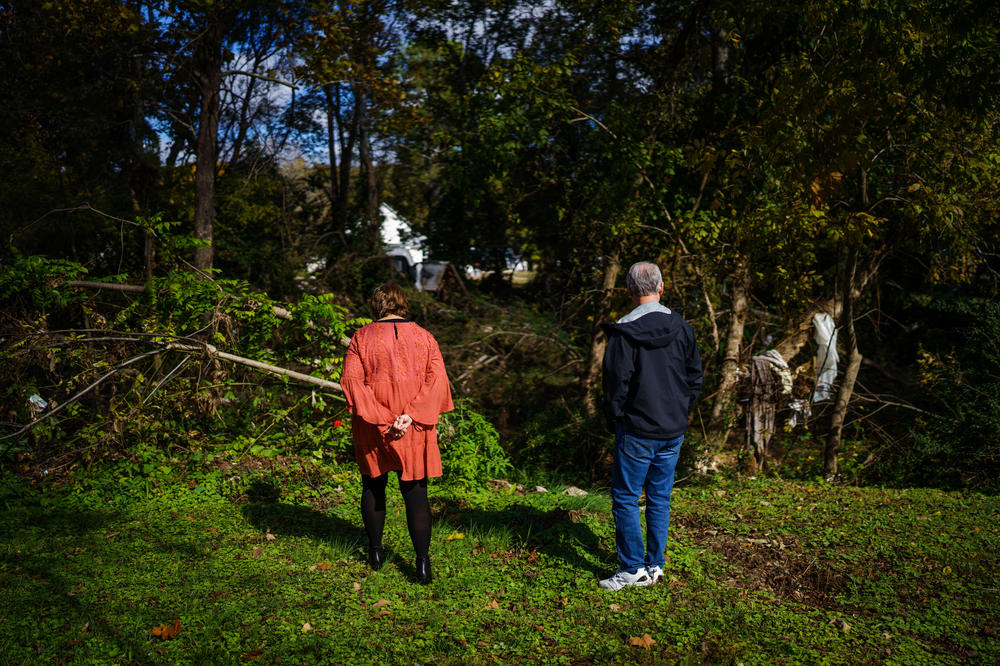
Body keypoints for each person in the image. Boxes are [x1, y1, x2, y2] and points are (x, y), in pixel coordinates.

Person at [340, 282, 454, 584]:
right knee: (416, 493)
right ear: (402, 303)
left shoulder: (360, 338)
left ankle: (375, 553)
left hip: (373, 425)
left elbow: (352, 383)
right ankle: (422, 565)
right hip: (413, 427)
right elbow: (438, 380)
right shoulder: (425, 337)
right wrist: (410, 415)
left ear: (376, 305)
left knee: (374, 485)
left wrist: (381, 419)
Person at [598, 261, 702, 590]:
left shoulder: (623, 331)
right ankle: (655, 564)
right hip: (672, 429)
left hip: (637, 430)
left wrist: (614, 418)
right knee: (660, 497)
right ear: (661, 288)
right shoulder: (682, 327)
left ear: (628, 291)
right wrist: (682, 410)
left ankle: (632, 568)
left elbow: (615, 385)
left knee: (627, 498)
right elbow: (694, 376)